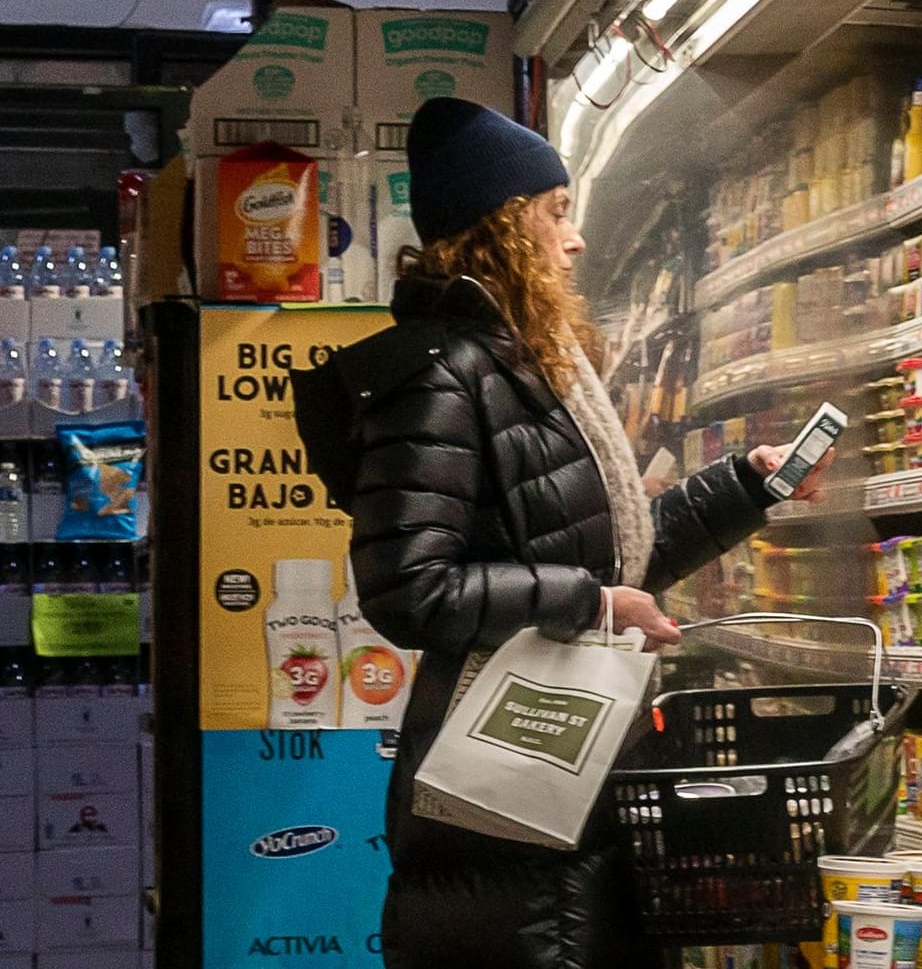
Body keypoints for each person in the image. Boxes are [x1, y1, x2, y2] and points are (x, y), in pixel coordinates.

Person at [292, 97, 831, 969]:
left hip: (564, 771)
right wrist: (590, 601)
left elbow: (608, 552)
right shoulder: (442, 375)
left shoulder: (528, 368)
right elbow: (409, 589)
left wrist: (746, 486)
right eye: (555, 213)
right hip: (501, 800)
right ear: (501, 230)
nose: (573, 239)